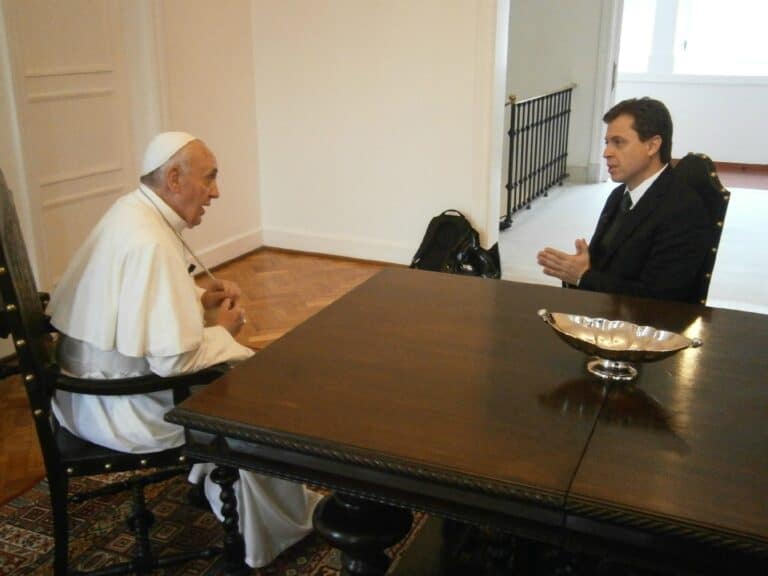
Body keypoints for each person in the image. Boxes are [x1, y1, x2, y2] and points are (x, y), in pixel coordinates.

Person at [47, 132, 321, 568]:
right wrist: (225, 333)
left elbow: (131, 303)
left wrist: (194, 299)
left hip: (81, 397)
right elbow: (173, 360)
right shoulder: (150, 241)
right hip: (123, 412)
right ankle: (277, 527)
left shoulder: (133, 212)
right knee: (258, 394)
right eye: (209, 179)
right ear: (173, 178)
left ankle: (214, 481)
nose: (216, 192)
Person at [536, 97, 711, 303]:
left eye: (618, 142)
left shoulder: (683, 210)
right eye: (607, 143)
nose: (606, 153)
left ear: (652, 146)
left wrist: (583, 276)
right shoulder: (619, 195)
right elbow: (600, 271)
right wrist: (578, 271)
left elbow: (659, 299)